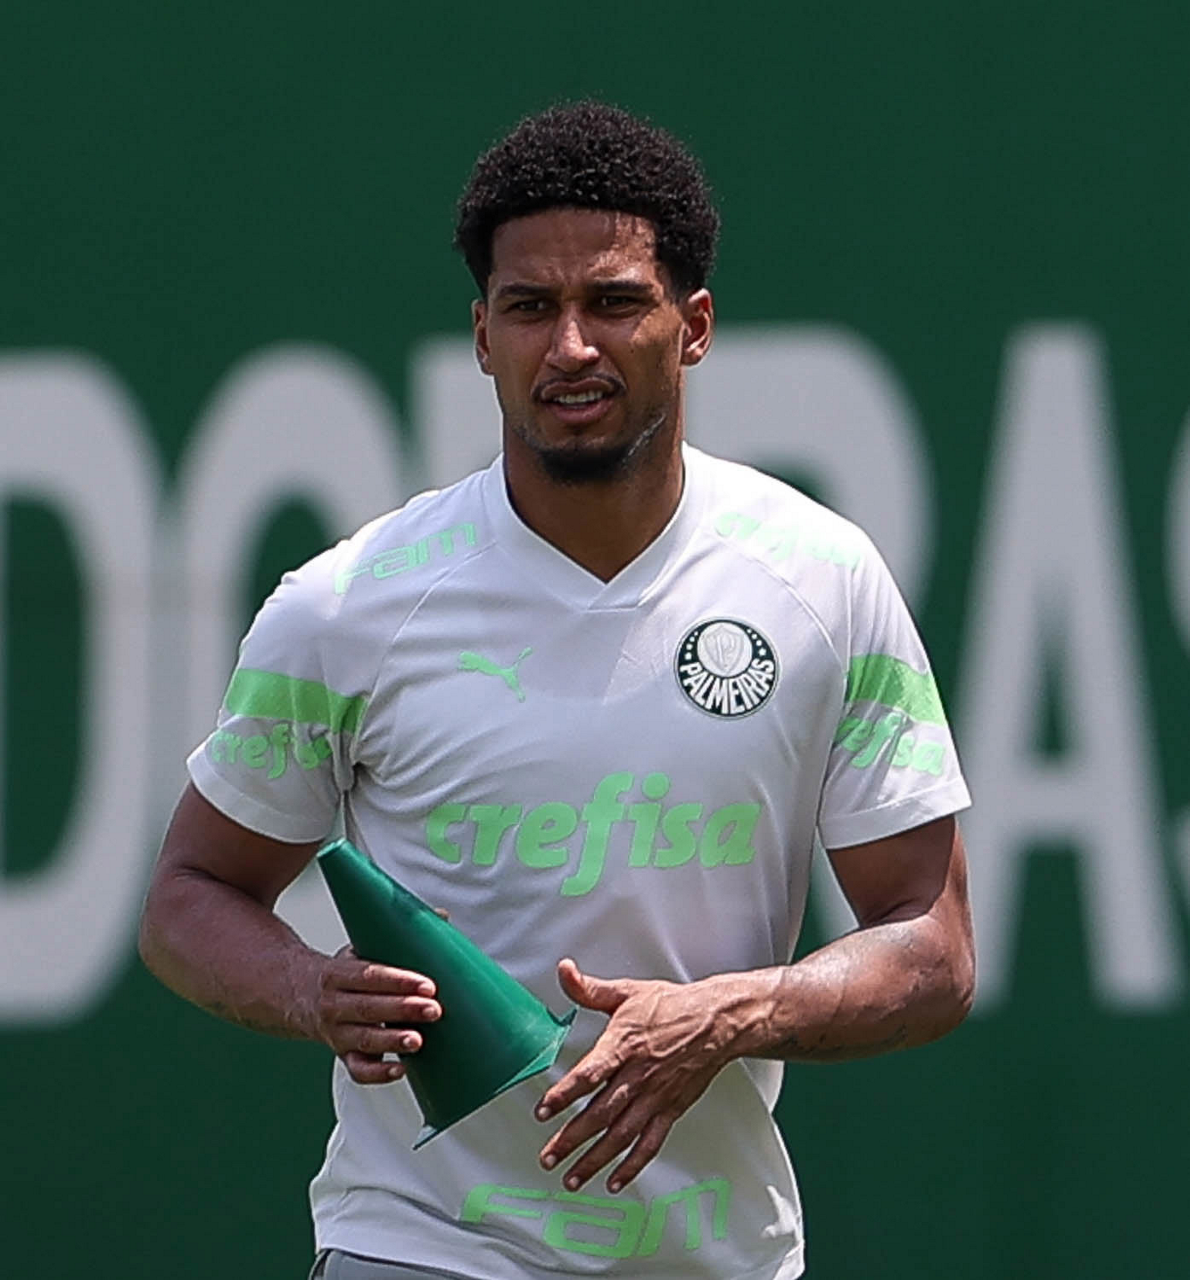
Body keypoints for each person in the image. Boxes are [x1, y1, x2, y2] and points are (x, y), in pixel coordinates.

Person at [140, 101, 975, 1280]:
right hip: (418, 1244)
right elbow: (190, 893)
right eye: (530, 307)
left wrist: (727, 1014)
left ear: (692, 327)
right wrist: (312, 986)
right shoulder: (347, 605)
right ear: (482, 337)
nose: (570, 346)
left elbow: (930, 942)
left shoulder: (819, 579)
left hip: (717, 1257)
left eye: (613, 302)